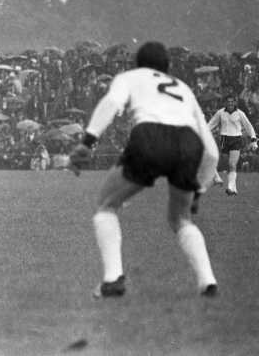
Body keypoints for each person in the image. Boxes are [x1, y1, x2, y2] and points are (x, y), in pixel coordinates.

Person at [69, 41, 220, 298]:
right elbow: (212, 151)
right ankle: (208, 282)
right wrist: (199, 189)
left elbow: (111, 103)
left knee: (106, 205)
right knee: (181, 219)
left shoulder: (131, 77)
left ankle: (113, 279)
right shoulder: (183, 88)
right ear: (167, 66)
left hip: (150, 135)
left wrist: (87, 142)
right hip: (189, 143)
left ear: (138, 63)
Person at [205, 95, 257, 196]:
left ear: (235, 102)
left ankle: (230, 187)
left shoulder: (240, 113)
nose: (230, 103)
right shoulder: (220, 113)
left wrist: (253, 139)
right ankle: (234, 188)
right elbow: (211, 124)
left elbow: (249, 126)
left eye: (232, 101)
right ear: (225, 102)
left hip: (236, 139)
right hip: (224, 139)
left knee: (232, 164)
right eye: (228, 101)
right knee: (226, 164)